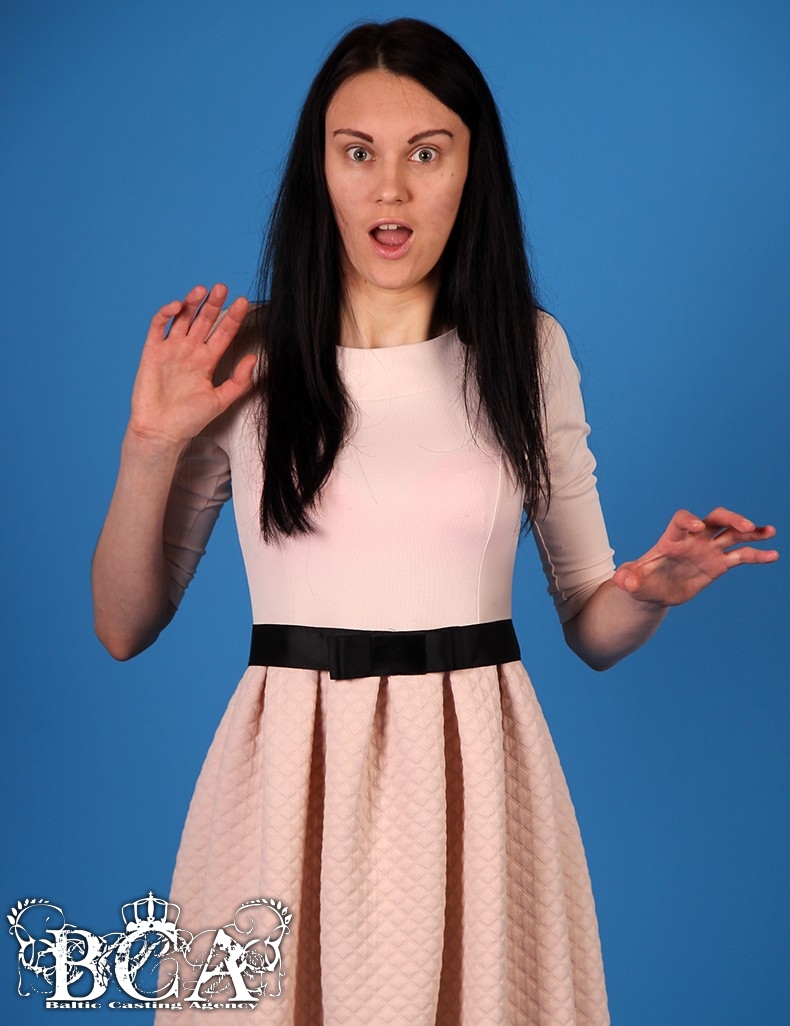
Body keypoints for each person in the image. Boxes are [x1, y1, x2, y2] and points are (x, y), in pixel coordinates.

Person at [92, 17, 777, 1026]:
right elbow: (122, 626)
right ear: (319, 170)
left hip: (478, 779)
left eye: (426, 153)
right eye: (357, 153)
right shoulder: (242, 357)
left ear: (470, 169)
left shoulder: (527, 351)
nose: (390, 189)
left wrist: (647, 591)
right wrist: (149, 444)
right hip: (286, 780)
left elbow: (592, 627)